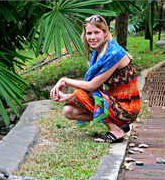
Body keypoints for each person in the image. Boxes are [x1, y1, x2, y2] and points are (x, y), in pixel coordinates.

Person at [50, 15, 141, 143]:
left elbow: (91, 86)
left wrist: (64, 80)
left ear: (106, 33)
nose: (92, 37)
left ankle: (116, 131)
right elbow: (93, 88)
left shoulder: (114, 53)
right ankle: (117, 124)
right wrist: (67, 97)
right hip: (113, 101)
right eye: (89, 33)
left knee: (80, 93)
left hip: (127, 107)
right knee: (68, 111)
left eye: (97, 32)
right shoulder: (97, 53)